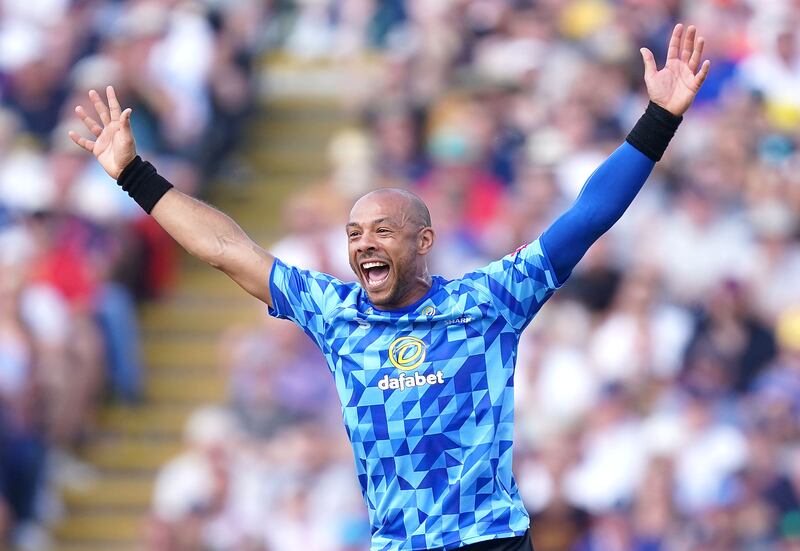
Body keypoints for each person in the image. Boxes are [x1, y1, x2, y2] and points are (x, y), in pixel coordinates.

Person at [69, 23, 710, 551]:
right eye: (353, 233)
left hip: (489, 542)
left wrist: (657, 119)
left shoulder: (486, 302)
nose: (362, 244)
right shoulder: (336, 312)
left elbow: (585, 218)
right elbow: (226, 248)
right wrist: (133, 173)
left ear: (423, 242)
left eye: (382, 230)